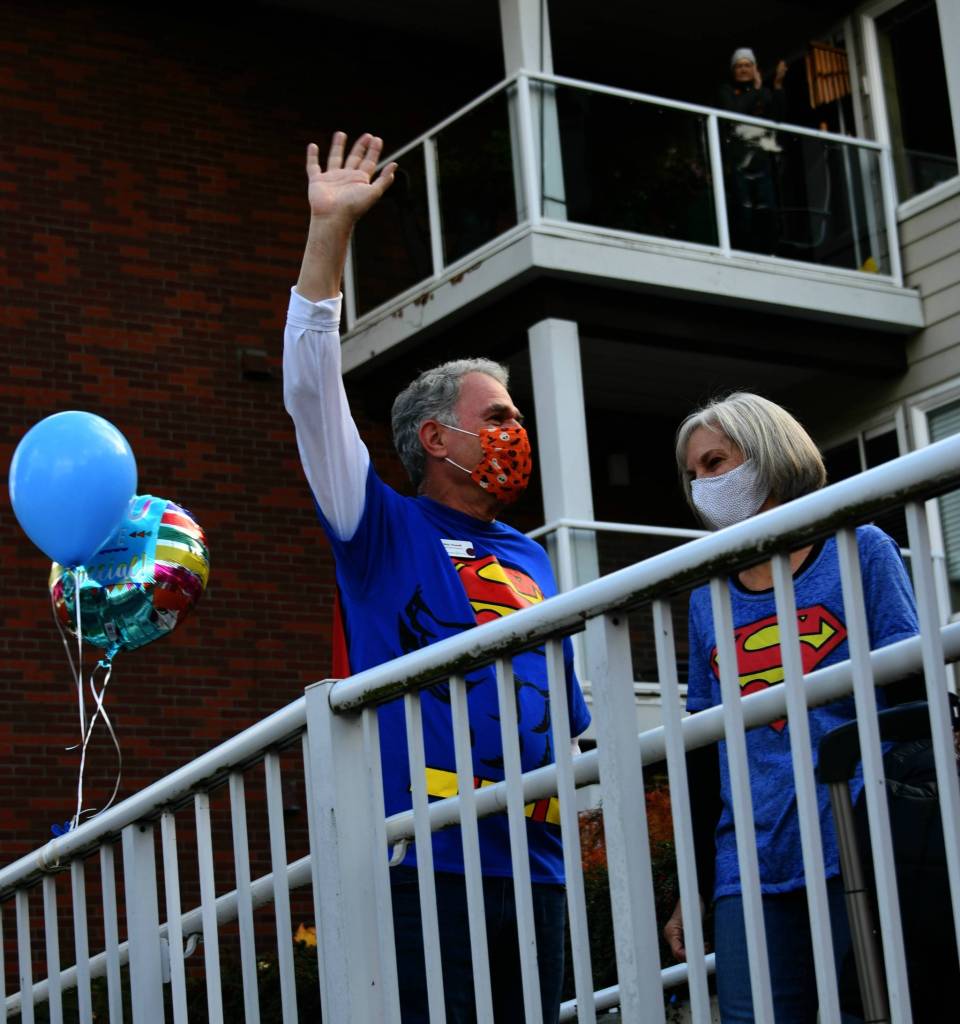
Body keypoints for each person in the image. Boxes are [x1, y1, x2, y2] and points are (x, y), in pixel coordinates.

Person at [283, 132, 590, 1023]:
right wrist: (328, 235)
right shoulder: (377, 526)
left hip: (536, 868)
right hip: (424, 863)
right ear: (435, 439)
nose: (512, 431)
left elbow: (565, 722)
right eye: (495, 416)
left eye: (515, 416)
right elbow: (310, 393)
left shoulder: (535, 557)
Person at [662, 392, 918, 1023]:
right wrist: (690, 890)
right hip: (745, 863)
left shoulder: (861, 549)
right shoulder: (707, 597)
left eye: (717, 462)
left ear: (768, 454)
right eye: (694, 474)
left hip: (856, 841)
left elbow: (913, 692)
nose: (704, 486)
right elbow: (701, 752)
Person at [718, 48, 788, 254]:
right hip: (739, 162)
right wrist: (756, 91)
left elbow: (778, 118)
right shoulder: (726, 91)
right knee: (744, 211)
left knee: (766, 211)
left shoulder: (763, 92)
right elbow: (734, 113)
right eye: (739, 66)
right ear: (733, 71)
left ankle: (770, 252)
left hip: (762, 161)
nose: (743, 70)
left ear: (754, 68)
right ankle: (744, 252)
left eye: (747, 65)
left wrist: (777, 86)